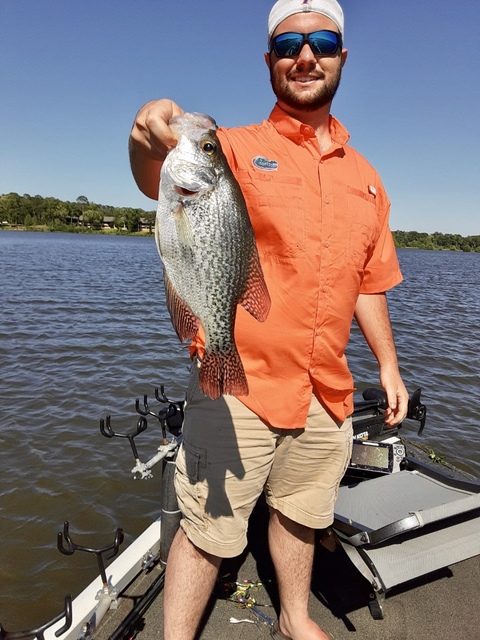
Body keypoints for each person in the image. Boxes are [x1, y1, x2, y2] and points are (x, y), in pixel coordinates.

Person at [129, 1, 409, 638]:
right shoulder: (230, 149)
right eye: (289, 46)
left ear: (341, 56)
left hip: (325, 387)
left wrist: (389, 366)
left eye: (322, 42)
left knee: (302, 511)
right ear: (270, 62)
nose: (305, 56)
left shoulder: (367, 178)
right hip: (240, 382)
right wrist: (145, 132)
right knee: (208, 528)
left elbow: (370, 281)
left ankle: (291, 617)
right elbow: (158, 176)